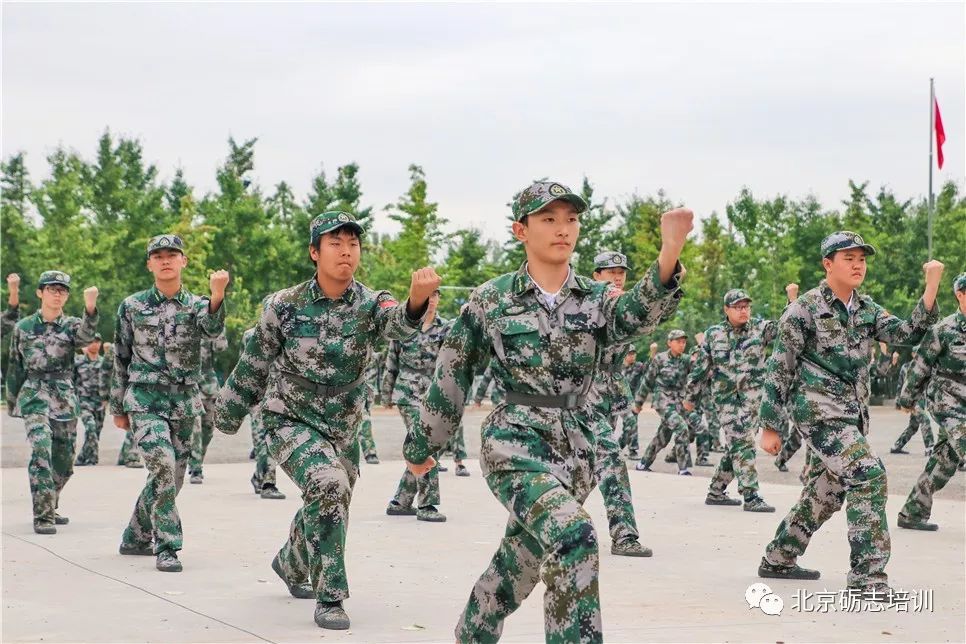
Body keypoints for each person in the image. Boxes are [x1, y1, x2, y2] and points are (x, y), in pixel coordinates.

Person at [404, 180, 690, 642]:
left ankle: (472, 632)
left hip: (578, 448)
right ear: (522, 230)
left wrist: (669, 253)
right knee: (574, 535)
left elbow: (639, 314)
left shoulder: (598, 299)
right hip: (514, 443)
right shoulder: (492, 299)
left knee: (520, 563)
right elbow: (452, 375)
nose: (563, 229)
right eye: (549, 219)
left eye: (571, 219)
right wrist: (422, 446)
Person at [214, 211, 440, 630]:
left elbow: (399, 326)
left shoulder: (374, 302)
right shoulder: (284, 305)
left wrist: (416, 301)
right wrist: (226, 414)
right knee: (329, 485)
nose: (346, 252)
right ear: (314, 252)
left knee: (331, 500)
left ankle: (290, 561)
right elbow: (254, 362)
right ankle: (331, 594)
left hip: (345, 425)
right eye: (335, 243)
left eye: (352, 244)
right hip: (289, 418)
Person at [757, 231, 942, 600]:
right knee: (868, 475)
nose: (858, 265)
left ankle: (779, 556)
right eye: (849, 258)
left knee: (828, 488)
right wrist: (769, 425)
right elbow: (780, 367)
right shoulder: (803, 309)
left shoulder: (866, 308)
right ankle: (867, 579)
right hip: (818, 413)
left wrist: (931, 286)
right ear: (828, 264)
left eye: (862, 259)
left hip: (850, 415)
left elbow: (907, 332)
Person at [111, 234, 229, 573]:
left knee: (172, 478)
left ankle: (135, 534)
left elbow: (212, 329)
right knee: (161, 466)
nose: (165, 260)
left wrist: (218, 294)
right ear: (149, 263)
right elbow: (120, 356)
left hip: (182, 400)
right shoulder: (131, 306)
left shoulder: (196, 305)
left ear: (183, 261)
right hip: (144, 398)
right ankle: (167, 546)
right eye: (158, 255)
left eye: (172, 254)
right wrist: (118, 407)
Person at [6, 270, 99, 534]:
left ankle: (51, 500)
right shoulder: (23, 327)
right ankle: (43, 514)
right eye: (51, 289)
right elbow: (15, 366)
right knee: (41, 449)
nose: (57, 294)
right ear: (40, 293)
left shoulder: (71, 325)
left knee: (65, 461)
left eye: (62, 290)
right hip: (34, 394)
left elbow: (85, 338)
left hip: (63, 396)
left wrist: (90, 308)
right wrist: (13, 402)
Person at [685, 288, 789, 512]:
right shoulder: (713, 334)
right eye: (738, 307)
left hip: (752, 402)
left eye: (746, 306)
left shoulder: (760, 329)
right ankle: (751, 495)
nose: (744, 311)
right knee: (743, 442)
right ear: (726, 309)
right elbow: (701, 369)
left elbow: (786, 326)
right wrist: (690, 397)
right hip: (726, 401)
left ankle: (716, 491)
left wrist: (791, 299)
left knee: (736, 446)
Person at [587, 250, 652, 557]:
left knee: (587, 469)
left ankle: (546, 528)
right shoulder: (586, 303)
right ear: (596, 275)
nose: (616, 277)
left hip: (610, 394)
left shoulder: (623, 309)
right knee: (611, 459)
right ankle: (624, 534)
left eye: (621, 272)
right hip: (583, 395)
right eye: (609, 271)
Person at [896, 272, 966, 531]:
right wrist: (907, 398)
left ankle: (912, 513)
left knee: (945, 461)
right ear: (960, 295)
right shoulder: (943, 330)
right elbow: (921, 366)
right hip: (947, 400)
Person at [382, 289, 451, 522]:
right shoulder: (405, 325)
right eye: (427, 296)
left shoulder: (444, 328)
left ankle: (400, 501)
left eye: (435, 296)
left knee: (421, 447)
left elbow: (451, 363)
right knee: (423, 445)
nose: (431, 301)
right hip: (407, 392)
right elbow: (392, 361)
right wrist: (386, 393)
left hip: (432, 394)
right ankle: (427, 504)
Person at [632, 330, 696, 475]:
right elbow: (647, 381)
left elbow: (699, 368)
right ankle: (683, 469)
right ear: (669, 343)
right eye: (678, 341)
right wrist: (638, 403)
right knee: (681, 427)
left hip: (678, 402)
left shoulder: (686, 360)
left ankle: (643, 464)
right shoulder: (659, 359)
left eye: (684, 342)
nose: (682, 345)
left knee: (663, 436)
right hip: (663, 400)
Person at [74, 334, 109, 466]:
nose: (94, 344)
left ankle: (81, 458)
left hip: (100, 403)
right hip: (84, 401)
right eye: (91, 341)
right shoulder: (78, 361)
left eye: (97, 341)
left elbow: (109, 380)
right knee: (90, 427)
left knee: (95, 434)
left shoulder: (104, 362)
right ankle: (92, 460)